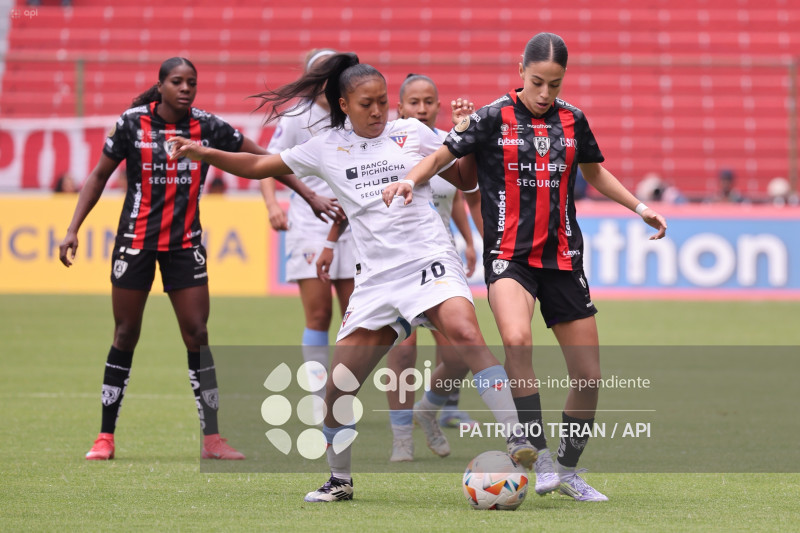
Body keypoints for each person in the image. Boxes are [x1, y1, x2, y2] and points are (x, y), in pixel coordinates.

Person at [169, 52, 538, 502]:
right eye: (368, 103)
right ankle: (339, 480)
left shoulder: (412, 132)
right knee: (338, 386)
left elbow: (462, 179)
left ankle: (517, 437)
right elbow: (258, 166)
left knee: (464, 331)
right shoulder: (325, 147)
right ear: (344, 104)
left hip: (428, 258)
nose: (380, 110)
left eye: (384, 101)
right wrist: (202, 152)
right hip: (377, 279)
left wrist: (466, 139)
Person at [384, 33, 668, 502]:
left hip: (562, 259)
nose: (544, 94)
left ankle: (570, 468)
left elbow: (594, 170)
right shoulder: (492, 116)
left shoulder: (573, 120)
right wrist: (408, 181)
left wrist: (640, 208)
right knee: (516, 339)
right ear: (521, 71)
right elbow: (442, 155)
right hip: (509, 257)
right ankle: (536, 452)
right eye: (537, 82)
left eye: (554, 85)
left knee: (589, 378)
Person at [58, 57, 339, 462]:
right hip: (135, 243)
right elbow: (99, 176)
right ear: (161, 86)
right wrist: (73, 227)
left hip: (185, 246)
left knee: (198, 335)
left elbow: (263, 158)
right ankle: (105, 436)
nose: (186, 88)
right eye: (177, 81)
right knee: (125, 334)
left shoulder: (207, 126)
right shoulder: (131, 123)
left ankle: (212, 439)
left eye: (192, 81)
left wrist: (309, 194)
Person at [382, 73, 480, 462]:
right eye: (413, 102)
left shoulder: (446, 145)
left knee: (458, 355)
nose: (421, 109)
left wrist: (471, 242)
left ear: (438, 106)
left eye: (428, 102)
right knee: (403, 352)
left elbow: (457, 195)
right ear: (400, 108)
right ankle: (401, 438)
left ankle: (429, 407)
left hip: (439, 260)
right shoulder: (386, 145)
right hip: (397, 263)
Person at [259, 49, 356, 414]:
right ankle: (320, 401)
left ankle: (345, 393)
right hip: (309, 227)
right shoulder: (298, 116)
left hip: (354, 227)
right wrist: (272, 206)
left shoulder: (352, 112)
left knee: (356, 316)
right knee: (318, 316)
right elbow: (268, 163)